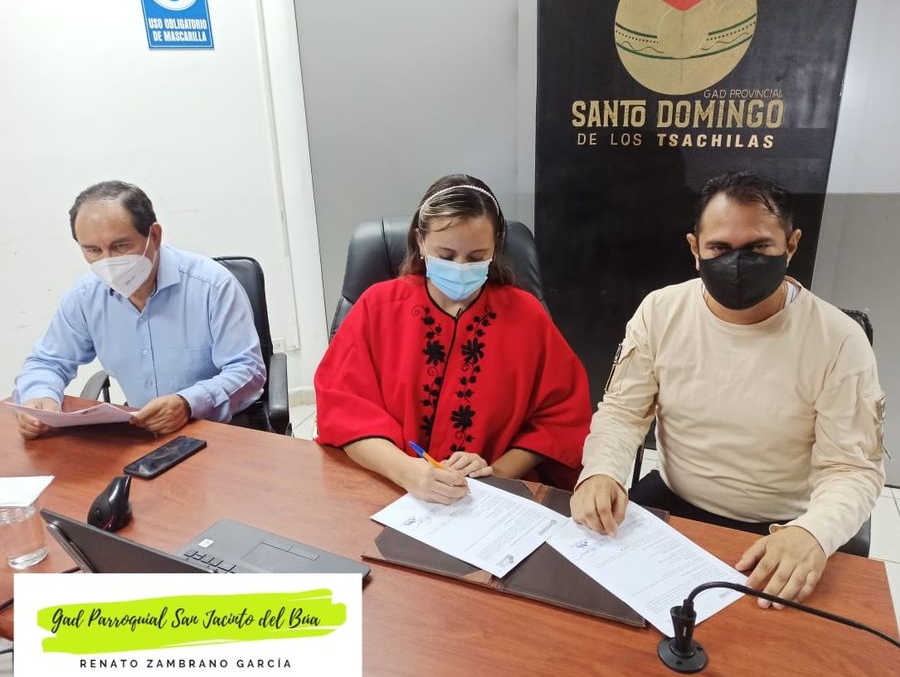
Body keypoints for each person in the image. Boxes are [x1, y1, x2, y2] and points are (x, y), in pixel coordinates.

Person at [570, 171, 885, 607]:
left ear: (791, 245)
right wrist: (601, 472)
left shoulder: (838, 339)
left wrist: (814, 532)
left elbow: (853, 468)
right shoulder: (660, 311)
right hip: (674, 501)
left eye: (758, 248)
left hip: (783, 526)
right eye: (719, 248)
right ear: (695, 248)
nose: (737, 263)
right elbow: (623, 412)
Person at [314, 174, 592, 503]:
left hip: (489, 499)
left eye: (476, 257)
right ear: (420, 241)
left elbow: (560, 418)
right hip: (389, 487)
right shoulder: (378, 307)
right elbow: (342, 408)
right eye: (446, 256)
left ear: (495, 248)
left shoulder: (527, 317)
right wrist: (407, 471)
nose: (460, 267)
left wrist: (496, 472)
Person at [15, 180, 266, 439]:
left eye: (120, 246)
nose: (107, 262)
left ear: (154, 236)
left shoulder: (212, 286)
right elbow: (48, 362)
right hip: (143, 429)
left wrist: (188, 403)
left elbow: (247, 370)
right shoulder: (85, 297)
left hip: (221, 428)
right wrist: (40, 397)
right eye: (93, 250)